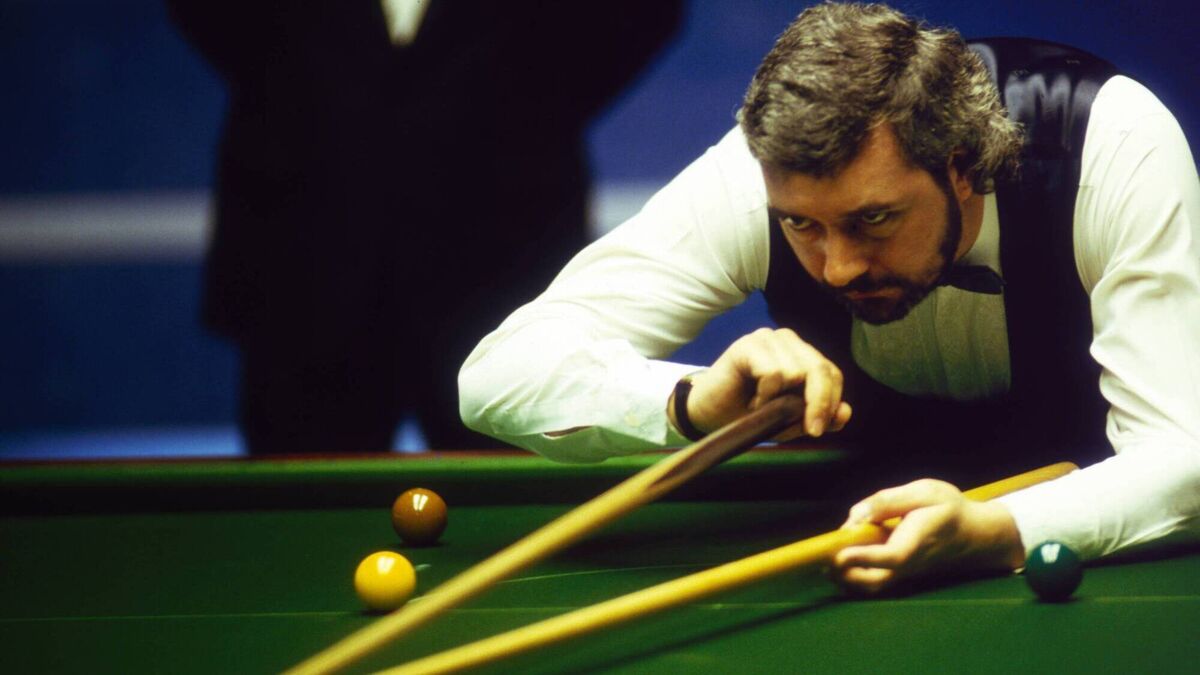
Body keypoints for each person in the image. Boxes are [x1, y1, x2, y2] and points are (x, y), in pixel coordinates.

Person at [459, 2, 1200, 593]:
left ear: (962, 168)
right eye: (802, 226)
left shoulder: (1110, 144)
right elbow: (497, 375)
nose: (838, 268)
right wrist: (692, 401)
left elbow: (1182, 454)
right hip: (861, 522)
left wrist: (1000, 527)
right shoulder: (751, 181)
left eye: (873, 219)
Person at [166, 1, 682, 453]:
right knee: (292, 504)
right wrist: (292, 85)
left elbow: (641, 14)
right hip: (301, 260)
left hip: (505, 262)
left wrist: (531, 104)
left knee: (515, 504)